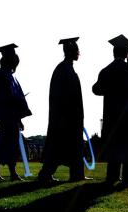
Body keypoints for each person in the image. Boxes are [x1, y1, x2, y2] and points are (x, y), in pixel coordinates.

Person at [92, 34, 128, 186]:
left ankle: (112, 176)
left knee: (113, 146)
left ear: (113, 53)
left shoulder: (106, 70)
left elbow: (96, 89)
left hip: (110, 115)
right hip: (126, 115)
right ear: (126, 53)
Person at [38, 37, 88, 183]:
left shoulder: (68, 68)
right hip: (65, 117)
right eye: (77, 49)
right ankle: (45, 174)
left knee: (73, 146)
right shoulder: (63, 69)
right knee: (59, 146)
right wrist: (64, 116)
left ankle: (77, 174)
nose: (79, 52)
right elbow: (59, 96)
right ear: (71, 51)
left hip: (71, 116)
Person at [0, 43, 32, 181]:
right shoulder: (0, 75)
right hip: (5, 115)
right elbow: (0, 96)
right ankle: (9, 173)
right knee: (7, 142)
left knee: (8, 143)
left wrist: (18, 117)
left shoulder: (10, 76)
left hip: (10, 115)